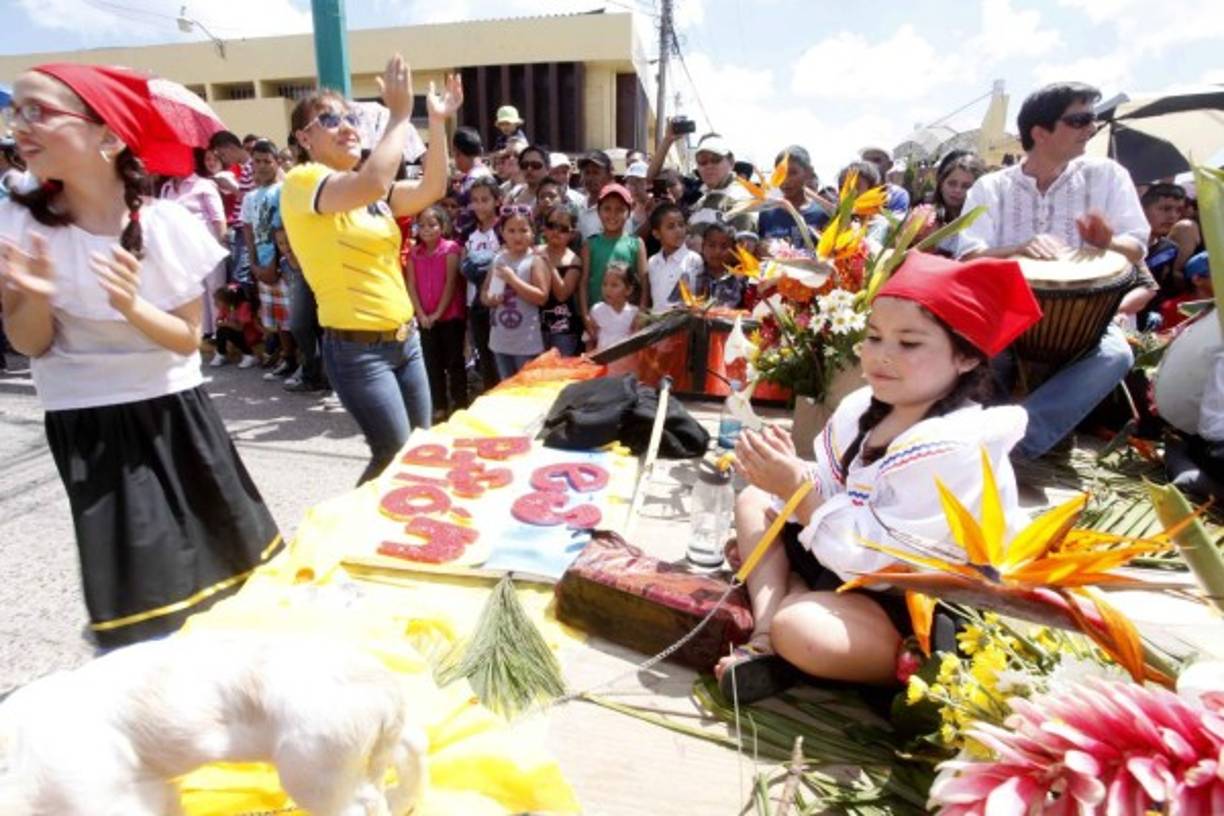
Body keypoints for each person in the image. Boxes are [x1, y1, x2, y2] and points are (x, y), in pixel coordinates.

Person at [0, 63, 281, 647]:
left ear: (108, 136)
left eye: (39, 111)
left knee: (234, 575)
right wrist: (27, 298)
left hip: (177, 413)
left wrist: (130, 305)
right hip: (87, 426)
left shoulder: (164, 224)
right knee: (141, 600)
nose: (19, 125)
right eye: (16, 110)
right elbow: (31, 344)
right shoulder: (17, 218)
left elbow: (187, 340)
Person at [714, 251, 1041, 702]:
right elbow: (833, 492)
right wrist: (784, 471)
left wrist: (795, 488)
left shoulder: (958, 447)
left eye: (908, 343)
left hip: (904, 605)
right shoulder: (861, 409)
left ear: (965, 357)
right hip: (841, 564)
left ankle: (885, 663)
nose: (882, 356)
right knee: (755, 501)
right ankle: (767, 634)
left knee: (804, 628)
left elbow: (881, 562)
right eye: (873, 336)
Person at [280, 55, 463, 485]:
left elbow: (433, 188)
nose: (346, 126)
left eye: (349, 117)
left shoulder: (369, 192)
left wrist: (434, 122)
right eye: (328, 119)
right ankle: (347, 538)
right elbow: (375, 182)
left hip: (406, 342)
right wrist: (400, 115)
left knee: (418, 450)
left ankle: (399, 537)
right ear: (303, 139)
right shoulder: (302, 182)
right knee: (393, 456)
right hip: (359, 352)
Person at [959, 81, 1153, 459]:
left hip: (1085, 317)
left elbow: (1136, 246)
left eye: (1091, 119)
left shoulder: (1106, 175)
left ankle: (1015, 442)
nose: (1091, 128)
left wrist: (1107, 241)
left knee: (1116, 354)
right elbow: (969, 256)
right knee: (975, 350)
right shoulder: (991, 187)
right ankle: (974, 436)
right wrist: (1018, 249)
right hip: (1007, 311)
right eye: (1079, 120)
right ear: (1040, 132)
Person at [405, 205, 466, 419]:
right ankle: (439, 405)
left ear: (442, 226)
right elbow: (411, 285)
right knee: (432, 362)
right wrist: (420, 314)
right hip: (425, 317)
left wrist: (438, 313)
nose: (426, 229)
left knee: (454, 361)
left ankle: (460, 404)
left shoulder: (451, 249)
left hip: (450, 316)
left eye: (432, 224)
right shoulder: (414, 253)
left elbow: (451, 283)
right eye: (421, 225)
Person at [159, 147, 227, 337]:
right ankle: (204, 332)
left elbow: (218, 217)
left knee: (215, 288)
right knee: (193, 289)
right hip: (180, 247)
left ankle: (220, 333)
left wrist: (222, 244)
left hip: (206, 243)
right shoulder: (166, 188)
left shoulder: (204, 185)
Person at [242, 139, 295, 377]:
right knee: (276, 317)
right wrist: (254, 264)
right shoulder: (250, 197)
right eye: (256, 161)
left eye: (267, 161)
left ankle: (305, 362)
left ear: (277, 163)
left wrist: (275, 263)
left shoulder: (284, 191)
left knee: (294, 316)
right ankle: (288, 358)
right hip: (262, 264)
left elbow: (285, 229)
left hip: (284, 263)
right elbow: (249, 231)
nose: (261, 166)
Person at [481, 204, 549, 379]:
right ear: (502, 233)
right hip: (500, 340)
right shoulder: (498, 259)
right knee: (506, 387)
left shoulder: (534, 261)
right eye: (511, 231)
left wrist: (513, 280)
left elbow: (542, 297)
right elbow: (484, 293)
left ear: (532, 232)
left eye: (523, 230)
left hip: (526, 343)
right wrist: (490, 299)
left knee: (525, 390)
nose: (517, 236)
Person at [580, 183, 647, 334]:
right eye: (607, 209)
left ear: (629, 213)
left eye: (620, 209)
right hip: (598, 320)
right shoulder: (590, 244)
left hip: (627, 319)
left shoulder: (636, 243)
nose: (612, 215)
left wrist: (641, 313)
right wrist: (585, 316)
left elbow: (644, 281)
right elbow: (583, 283)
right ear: (598, 211)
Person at [460, 175, 503, 392]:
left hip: (500, 303)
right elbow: (463, 265)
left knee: (500, 358)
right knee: (484, 357)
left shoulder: (504, 229)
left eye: (485, 199)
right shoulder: (468, 232)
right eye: (474, 200)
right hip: (475, 303)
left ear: (497, 200)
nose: (479, 205)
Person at [271, 224, 324, 391]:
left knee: (301, 327)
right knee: (300, 330)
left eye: (289, 241)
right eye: (280, 243)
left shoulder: (309, 261)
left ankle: (314, 376)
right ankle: (311, 373)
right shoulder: (284, 263)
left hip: (316, 305)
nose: (285, 247)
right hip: (299, 304)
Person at [684, 133, 756, 247]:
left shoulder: (741, 199)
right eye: (702, 162)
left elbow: (746, 251)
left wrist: (704, 248)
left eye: (716, 159)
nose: (709, 166)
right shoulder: (700, 202)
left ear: (731, 162)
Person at [208, 130, 255, 291]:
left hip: (246, 229)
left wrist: (230, 187)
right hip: (240, 229)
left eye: (222, 154)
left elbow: (251, 198)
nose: (223, 159)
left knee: (241, 276)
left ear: (229, 148)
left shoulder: (251, 166)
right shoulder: (245, 167)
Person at [758, 146, 829, 250]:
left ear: (808, 172)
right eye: (780, 173)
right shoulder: (767, 214)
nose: (786, 180)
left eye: (792, 173)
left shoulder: (822, 214)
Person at [1139, 182, 1188, 330]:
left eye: (1178, 210)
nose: (1173, 216)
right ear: (1142, 209)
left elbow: (1164, 287)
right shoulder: (1122, 245)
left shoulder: (1170, 249)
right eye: (1165, 209)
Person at [537, 203, 584, 356]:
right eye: (551, 226)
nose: (556, 232)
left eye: (563, 228)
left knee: (561, 376)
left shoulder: (574, 260)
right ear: (544, 228)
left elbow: (562, 294)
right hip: (535, 327)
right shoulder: (535, 251)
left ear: (572, 234)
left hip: (563, 329)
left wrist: (548, 264)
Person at [644, 202, 703, 311]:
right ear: (656, 234)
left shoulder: (693, 260)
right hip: (657, 324)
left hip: (684, 325)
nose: (678, 230)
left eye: (681, 225)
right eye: (671, 227)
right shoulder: (652, 262)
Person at [925, 152, 986, 256]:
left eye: (966, 186)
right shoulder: (926, 217)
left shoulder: (983, 224)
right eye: (952, 183)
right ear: (941, 184)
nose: (957, 190)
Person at [588, 262, 639, 353]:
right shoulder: (596, 310)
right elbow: (590, 339)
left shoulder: (634, 313)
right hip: (603, 363)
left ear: (628, 290)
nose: (607, 289)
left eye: (614, 285)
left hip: (628, 364)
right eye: (604, 284)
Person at [210, 285, 260, 368]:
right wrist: (220, 322)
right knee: (222, 330)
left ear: (228, 300)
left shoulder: (244, 306)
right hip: (235, 334)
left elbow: (240, 327)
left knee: (225, 329)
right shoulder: (226, 307)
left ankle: (250, 355)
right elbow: (219, 320)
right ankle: (221, 353)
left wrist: (226, 323)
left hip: (248, 335)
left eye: (218, 301)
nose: (215, 303)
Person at [700, 222, 743, 307]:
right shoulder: (694, 274)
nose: (717, 251)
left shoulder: (740, 280)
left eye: (724, 247)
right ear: (703, 246)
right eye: (711, 245)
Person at [859, 146, 910, 215]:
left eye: (876, 160)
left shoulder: (897, 195)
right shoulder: (852, 193)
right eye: (866, 161)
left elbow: (895, 223)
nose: (870, 165)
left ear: (890, 165)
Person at [575, 150, 615, 239]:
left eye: (596, 172)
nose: (590, 178)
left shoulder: (616, 209)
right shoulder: (580, 206)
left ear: (609, 175)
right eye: (587, 172)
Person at [506, 144, 550, 208]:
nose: (529, 169)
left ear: (548, 169)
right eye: (524, 165)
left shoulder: (554, 196)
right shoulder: (516, 192)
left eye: (535, 165)